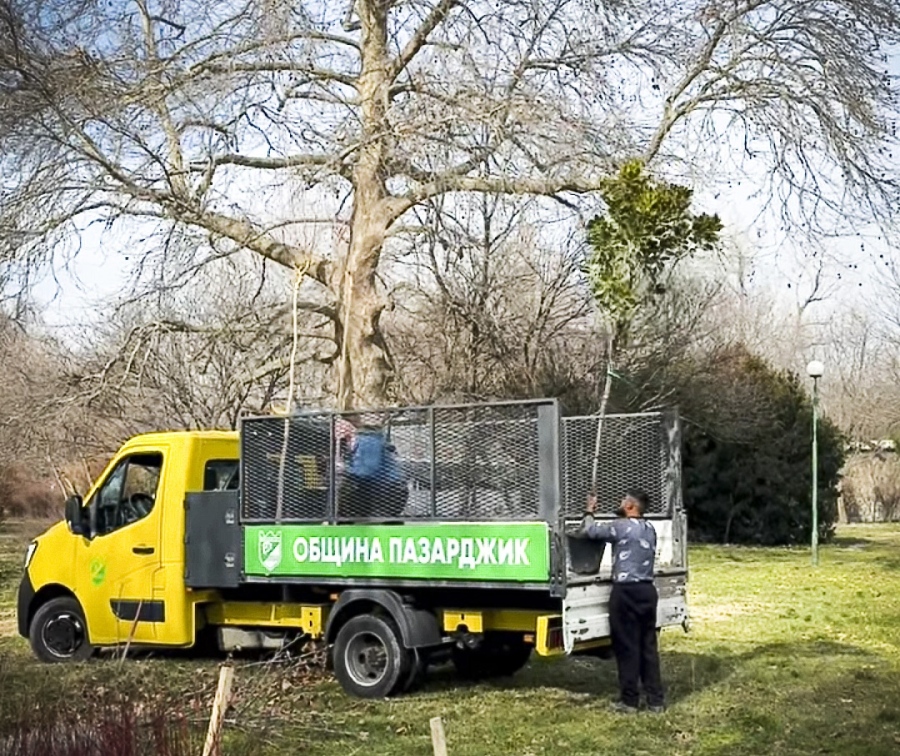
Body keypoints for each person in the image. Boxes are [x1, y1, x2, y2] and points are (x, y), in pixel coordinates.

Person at [582, 489, 665, 714]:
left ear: (630, 506)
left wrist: (590, 510)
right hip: (647, 591)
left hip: (626, 592)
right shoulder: (649, 529)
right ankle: (655, 700)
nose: (619, 504)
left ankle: (630, 701)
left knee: (627, 646)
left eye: (622, 501)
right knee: (648, 646)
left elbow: (589, 531)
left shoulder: (620, 527)